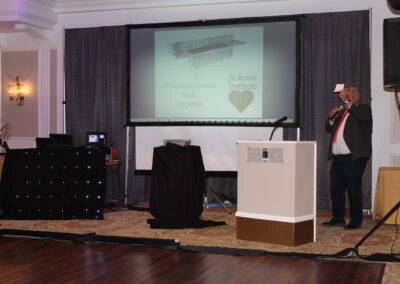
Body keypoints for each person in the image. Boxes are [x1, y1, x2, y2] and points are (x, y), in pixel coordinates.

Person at [322, 87, 373, 230]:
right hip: (338, 159)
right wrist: (331, 118)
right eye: (345, 97)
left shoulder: (363, 109)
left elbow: (362, 117)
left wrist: (347, 103)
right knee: (336, 189)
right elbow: (328, 127)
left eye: (348, 96)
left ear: (356, 98)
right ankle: (338, 218)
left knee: (353, 189)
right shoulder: (342, 112)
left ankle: (356, 221)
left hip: (354, 158)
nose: (345, 99)